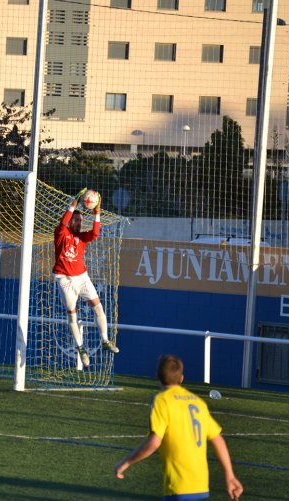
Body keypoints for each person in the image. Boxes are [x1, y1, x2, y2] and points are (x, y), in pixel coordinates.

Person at [114, 355, 243, 500]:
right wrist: (230, 476)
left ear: (157, 377)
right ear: (181, 378)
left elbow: (154, 442)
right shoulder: (198, 402)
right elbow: (218, 439)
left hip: (178, 487)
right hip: (200, 486)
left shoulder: (162, 400)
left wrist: (126, 462)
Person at [53, 187, 118, 368]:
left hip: (82, 277)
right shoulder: (61, 233)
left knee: (98, 307)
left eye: (82, 220)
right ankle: (81, 348)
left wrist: (97, 212)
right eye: (78, 220)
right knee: (73, 316)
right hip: (64, 280)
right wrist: (74, 203)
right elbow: (63, 221)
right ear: (71, 221)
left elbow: (95, 233)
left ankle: (105, 340)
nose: (80, 223)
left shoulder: (82, 238)